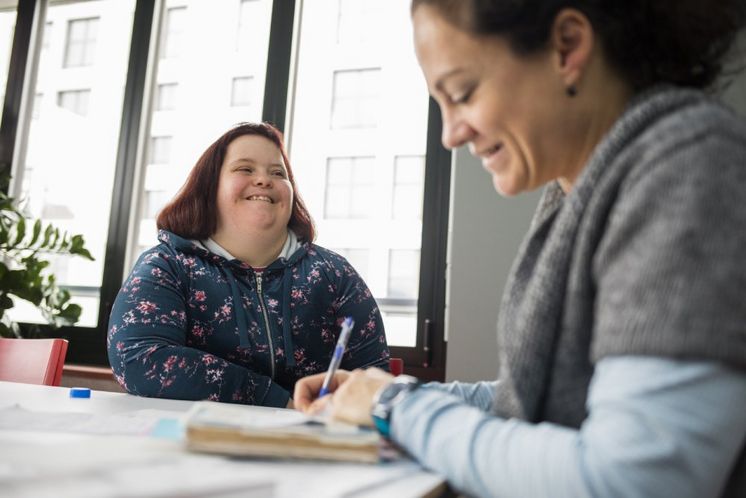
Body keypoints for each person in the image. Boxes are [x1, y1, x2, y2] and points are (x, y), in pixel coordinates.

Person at [294, 1, 746, 496]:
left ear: (567, 47)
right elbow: (540, 398)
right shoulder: (578, 191)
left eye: (463, 93)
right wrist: (383, 395)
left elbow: (635, 480)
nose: (449, 134)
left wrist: (397, 408)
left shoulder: (685, 170)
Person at [108, 122, 389, 408]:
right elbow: (139, 358)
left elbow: (375, 380)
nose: (264, 180)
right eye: (245, 169)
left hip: (311, 440)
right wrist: (278, 400)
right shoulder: (168, 265)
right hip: (194, 440)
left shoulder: (335, 274)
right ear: (210, 187)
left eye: (277, 173)